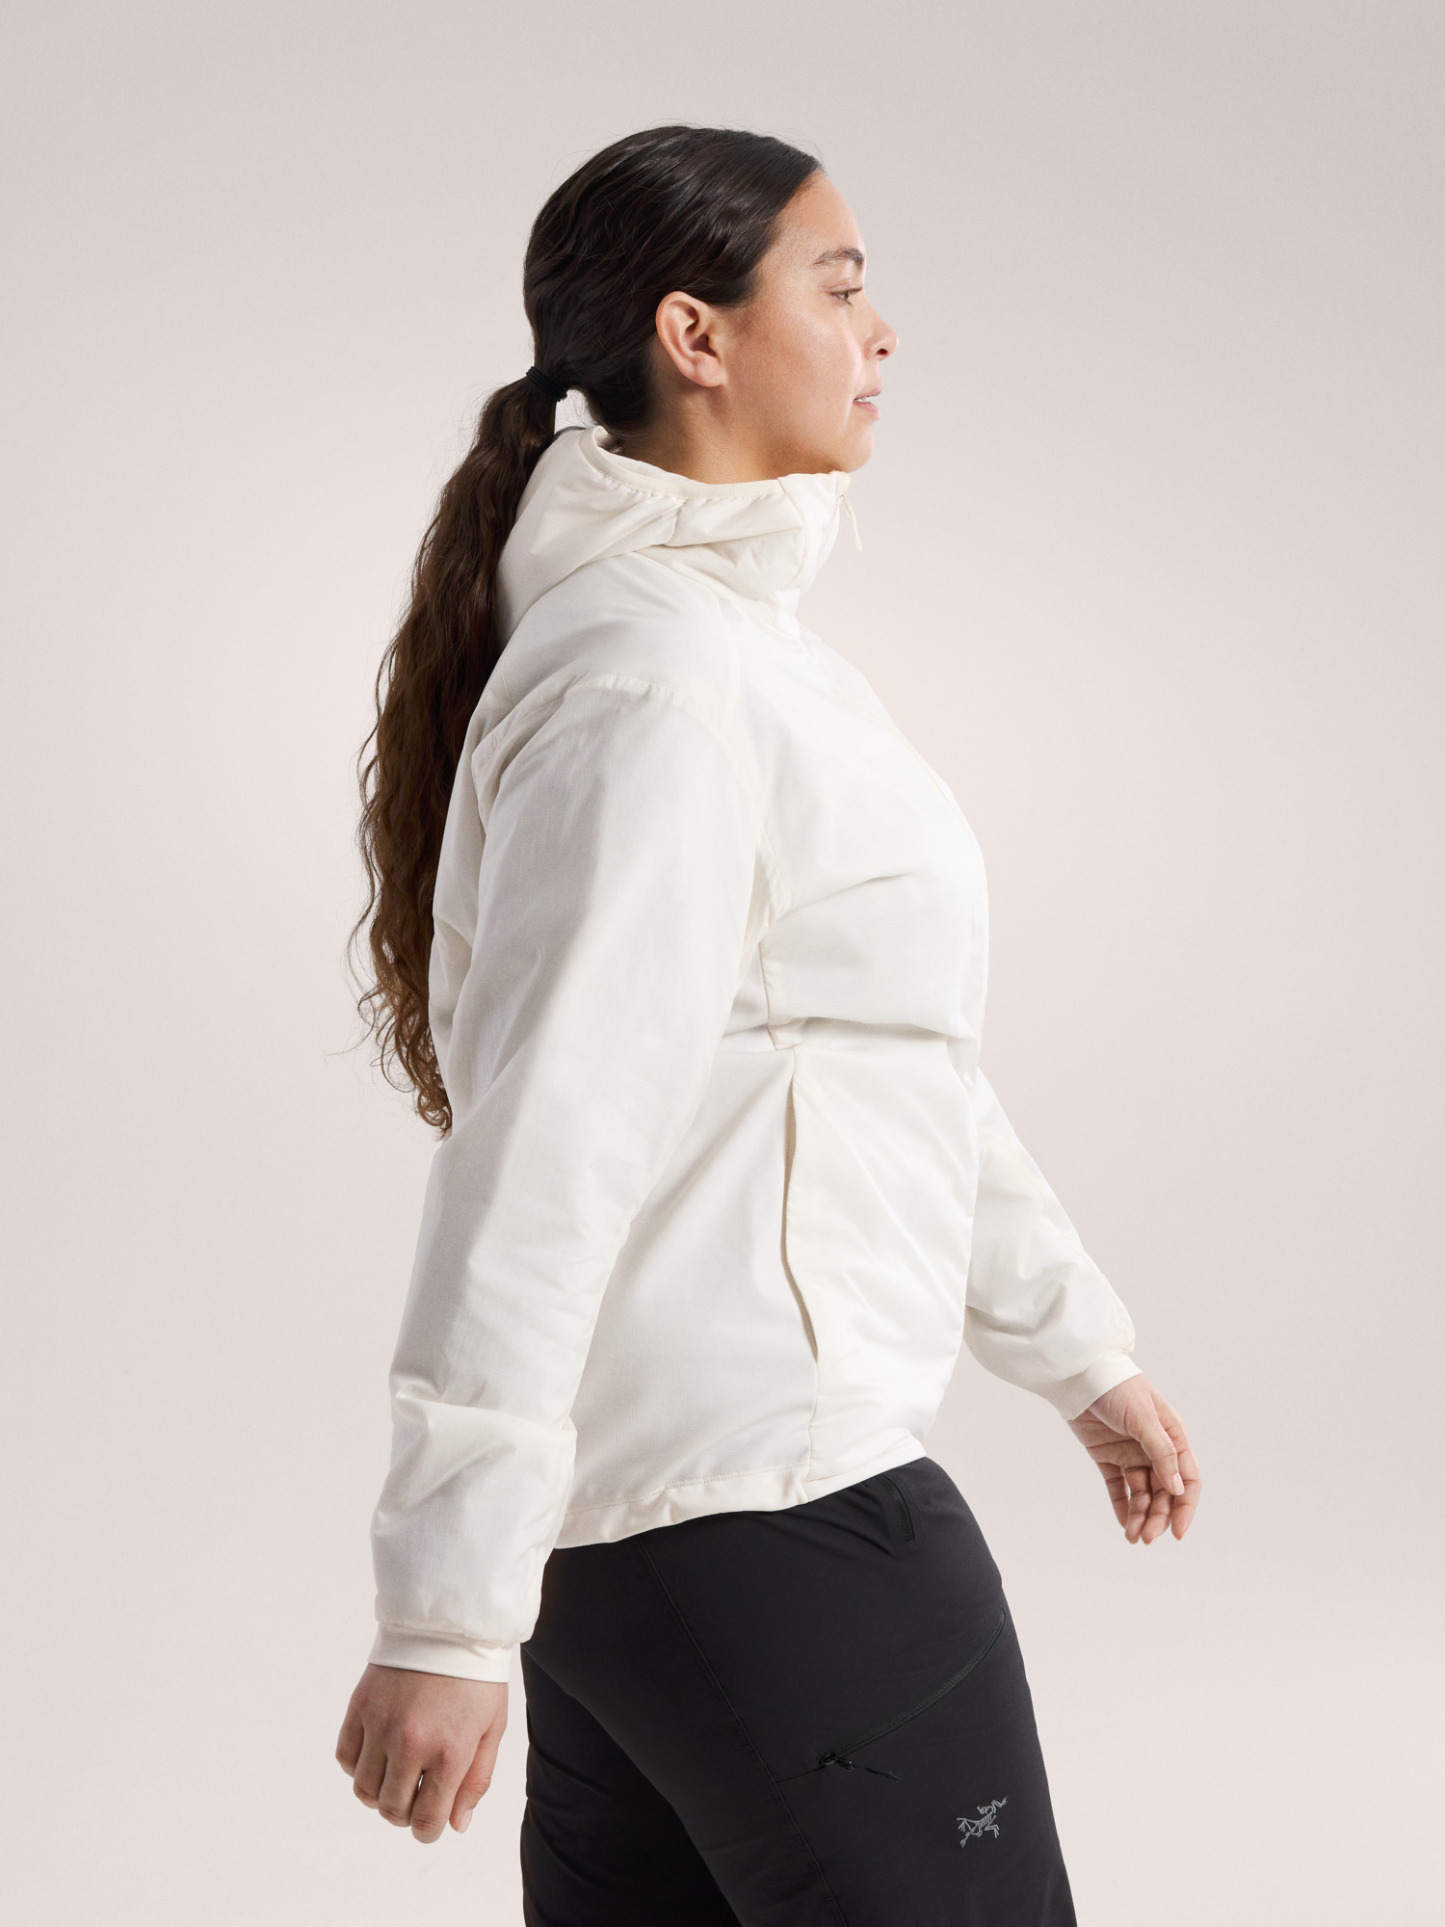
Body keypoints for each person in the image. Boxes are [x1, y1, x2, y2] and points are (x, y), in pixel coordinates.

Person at [335, 123, 1201, 1926]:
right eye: (840, 282)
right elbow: (547, 1144)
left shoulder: (728, 656)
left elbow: (877, 1058)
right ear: (695, 334)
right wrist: (443, 1606)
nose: (881, 332)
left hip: (657, 1548)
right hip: (776, 1520)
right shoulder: (655, 680)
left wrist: (1074, 1349)